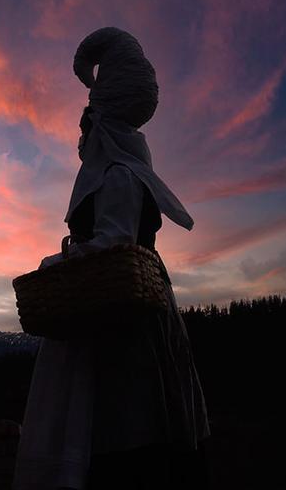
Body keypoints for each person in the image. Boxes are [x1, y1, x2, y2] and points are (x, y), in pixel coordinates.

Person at [13, 28, 210, 490]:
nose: (80, 137)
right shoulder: (118, 173)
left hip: (119, 316)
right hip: (118, 303)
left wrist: (56, 267)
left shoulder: (118, 177)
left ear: (99, 125)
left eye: (85, 126)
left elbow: (113, 244)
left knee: (123, 418)